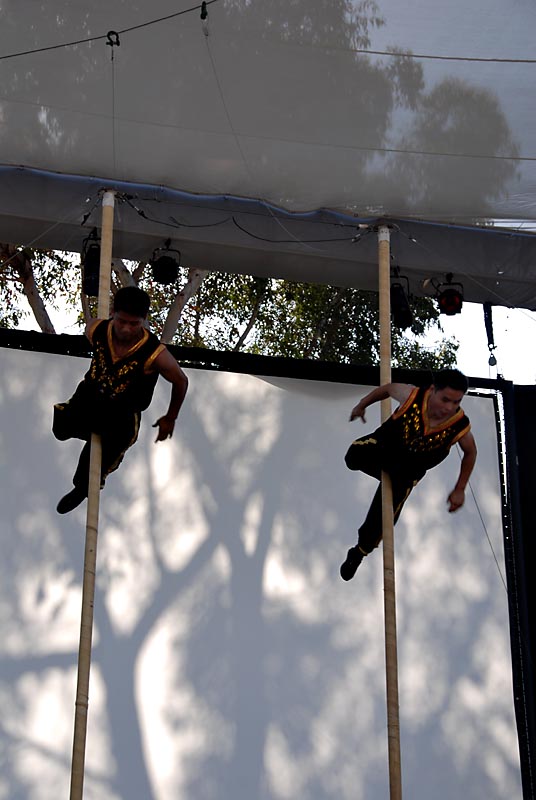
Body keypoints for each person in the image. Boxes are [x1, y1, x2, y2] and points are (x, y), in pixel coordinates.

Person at [53, 286, 189, 514]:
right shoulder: (96, 329)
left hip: (121, 415)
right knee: (61, 428)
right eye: (122, 321)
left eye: (134, 324)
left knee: (95, 467)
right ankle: (89, 430)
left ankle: (83, 488)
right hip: (90, 398)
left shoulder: (155, 353)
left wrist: (170, 417)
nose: (126, 329)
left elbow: (181, 381)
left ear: (144, 320)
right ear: (113, 313)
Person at [340, 369, 477, 581]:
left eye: (456, 402)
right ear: (433, 390)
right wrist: (361, 405)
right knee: (353, 457)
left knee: (381, 526)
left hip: (406, 474)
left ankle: (358, 553)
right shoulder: (412, 395)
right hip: (383, 449)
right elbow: (386, 389)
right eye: (445, 400)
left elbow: (470, 453)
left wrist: (460, 489)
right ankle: (387, 468)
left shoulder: (459, 424)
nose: (449, 408)